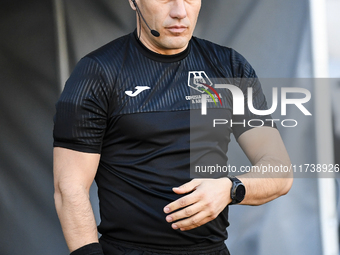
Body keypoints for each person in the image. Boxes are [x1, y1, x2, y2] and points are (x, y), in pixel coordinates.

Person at [53, 1, 293, 255]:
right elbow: (69, 188)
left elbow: (280, 171)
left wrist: (230, 188)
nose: (180, 11)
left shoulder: (229, 67)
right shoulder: (98, 73)